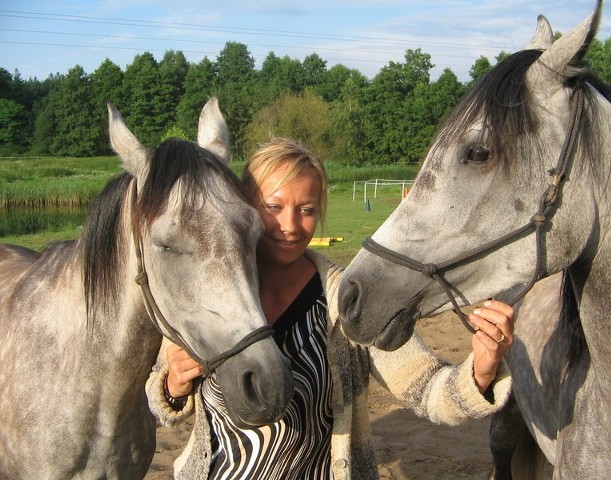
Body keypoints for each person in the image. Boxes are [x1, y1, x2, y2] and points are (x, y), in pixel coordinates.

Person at [146, 138, 515, 480]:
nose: (289, 226)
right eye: (273, 207)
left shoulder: (345, 299)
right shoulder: (206, 290)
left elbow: (425, 388)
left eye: (306, 210)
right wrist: (174, 385)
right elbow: (164, 403)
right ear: (245, 206)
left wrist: (480, 371)